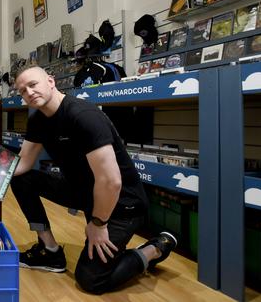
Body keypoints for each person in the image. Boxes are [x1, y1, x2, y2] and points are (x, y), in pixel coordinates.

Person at [10, 66, 177, 294]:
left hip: (121, 204)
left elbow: (111, 182)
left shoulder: (82, 116)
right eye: (22, 91)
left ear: (51, 81)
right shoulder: (38, 119)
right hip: (86, 193)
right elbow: (23, 164)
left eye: (33, 84)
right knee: (22, 179)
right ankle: (50, 251)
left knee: (91, 280)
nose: (28, 92)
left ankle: (155, 248)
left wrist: (98, 224)